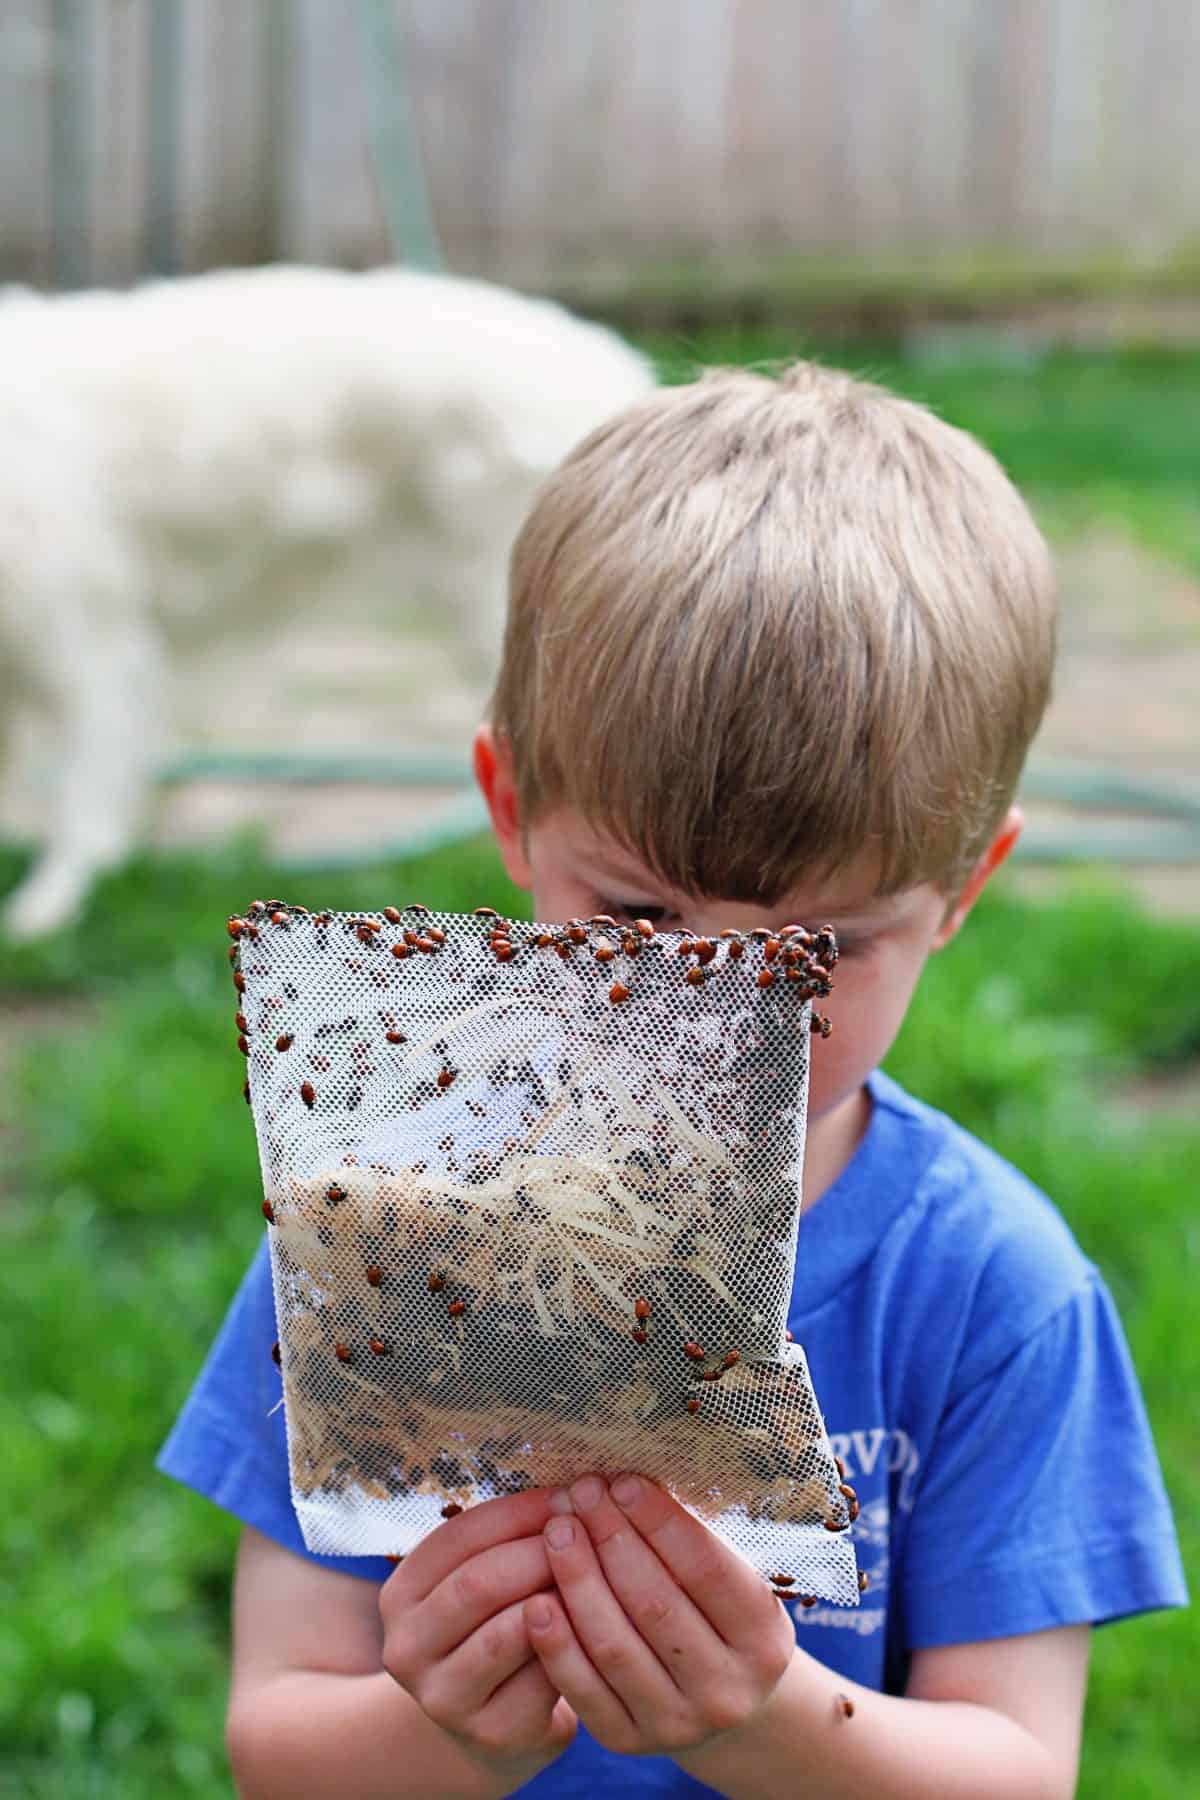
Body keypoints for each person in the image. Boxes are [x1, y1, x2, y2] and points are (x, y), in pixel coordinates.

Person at [159, 361, 1186, 1799]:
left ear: (964, 890)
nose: (720, 1017)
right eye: (639, 919)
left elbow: (1020, 1768)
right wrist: (445, 1728)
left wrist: (758, 1718)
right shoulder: (381, 1230)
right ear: (510, 808)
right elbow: (279, 1740)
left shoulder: (989, 1292)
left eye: (819, 946)